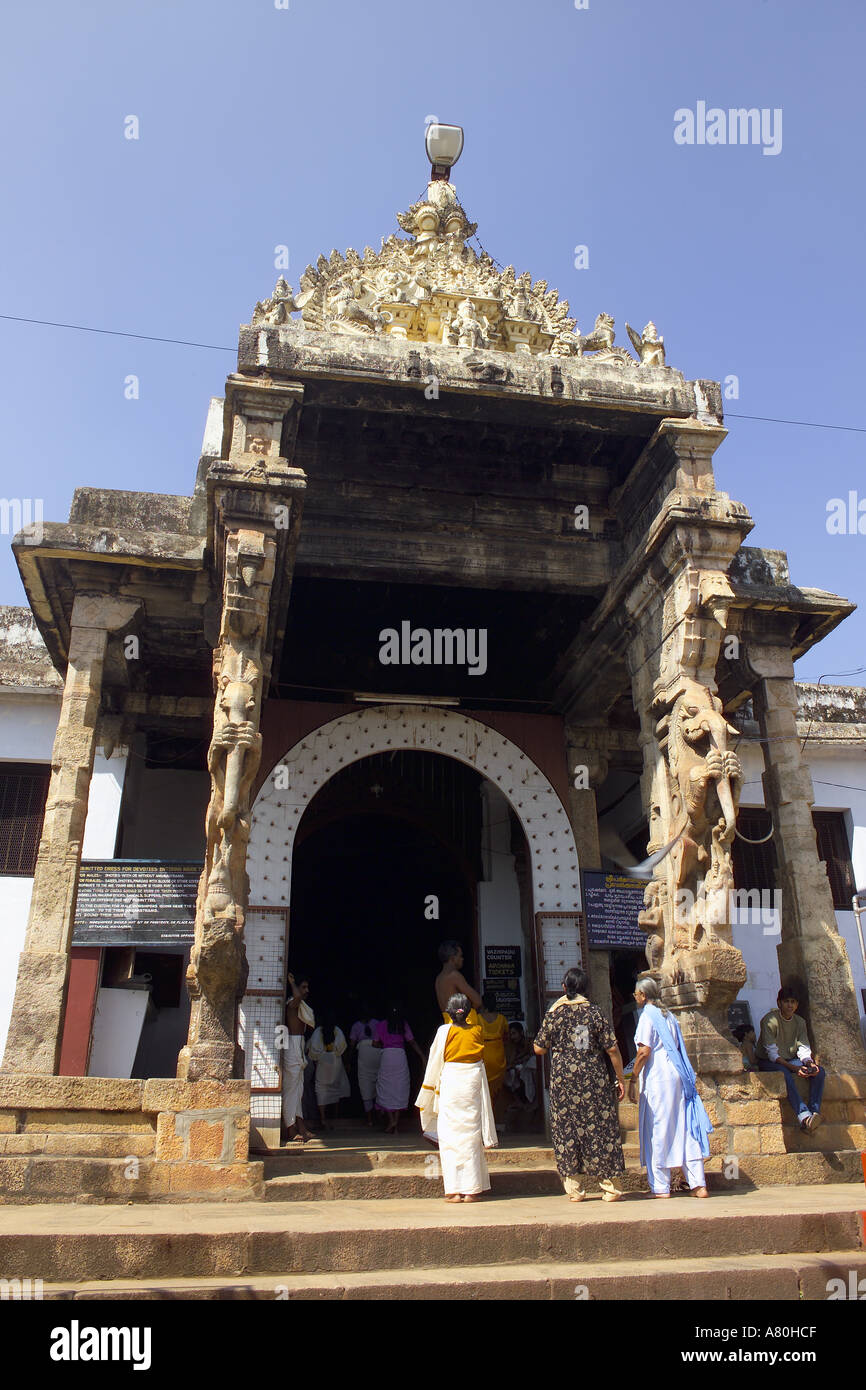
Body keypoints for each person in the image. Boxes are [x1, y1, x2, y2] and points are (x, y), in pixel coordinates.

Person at [533, 967, 626, 1202]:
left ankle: (574, 1189)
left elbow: (538, 1048)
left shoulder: (555, 1013)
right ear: (586, 989)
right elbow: (612, 1048)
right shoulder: (595, 1013)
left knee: (566, 1130)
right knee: (600, 1129)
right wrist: (620, 1078)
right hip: (593, 1080)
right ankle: (611, 1187)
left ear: (565, 988)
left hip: (563, 1082)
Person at [628, 976, 712, 1198]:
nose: (635, 997)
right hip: (677, 1077)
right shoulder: (669, 1016)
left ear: (643, 995)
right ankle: (698, 1184)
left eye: (636, 993)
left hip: (659, 1080)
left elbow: (644, 1051)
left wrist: (633, 1078)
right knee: (685, 1127)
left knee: (659, 1129)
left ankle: (661, 1187)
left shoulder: (647, 1016)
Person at [416, 993, 497, 1202]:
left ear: (449, 1013)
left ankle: (453, 1191)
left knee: (449, 1136)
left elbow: (435, 1059)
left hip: (451, 1083)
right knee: (471, 1136)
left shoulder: (444, 1031)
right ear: (469, 1013)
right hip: (471, 1084)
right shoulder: (477, 1031)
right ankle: (471, 1190)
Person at [755, 986, 825, 1131]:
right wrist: (795, 1068)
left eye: (793, 1002)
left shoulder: (800, 1022)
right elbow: (772, 1055)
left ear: (797, 1005)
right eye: (786, 1001)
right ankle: (803, 1115)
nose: (790, 1005)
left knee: (820, 1072)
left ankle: (814, 1112)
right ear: (779, 1003)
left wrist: (809, 1064)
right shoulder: (770, 1020)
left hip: (791, 1059)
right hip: (768, 1061)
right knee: (784, 1074)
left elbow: (804, 1049)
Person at [374, 1005, 426, 1135]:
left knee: (386, 1088)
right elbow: (412, 1042)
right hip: (400, 1057)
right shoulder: (403, 1024)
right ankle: (395, 1124)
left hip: (386, 1056)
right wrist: (422, 1056)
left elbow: (374, 1043)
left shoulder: (381, 1025)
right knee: (399, 1088)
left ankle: (391, 1121)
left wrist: (385, 1045)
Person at [281, 972, 315, 1143]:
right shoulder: (292, 1004)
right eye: (304, 987)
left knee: (298, 1090)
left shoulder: (300, 1006)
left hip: (299, 1046)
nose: (306, 991)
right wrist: (292, 983)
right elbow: (296, 996)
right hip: (292, 1046)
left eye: (307, 987)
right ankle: (290, 1129)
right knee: (291, 1090)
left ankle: (300, 1127)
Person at [308, 1008, 351, 1130]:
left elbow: (314, 1050)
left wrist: (318, 1059)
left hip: (322, 1063)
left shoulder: (318, 1031)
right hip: (335, 1062)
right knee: (335, 1088)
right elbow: (342, 1047)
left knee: (321, 1090)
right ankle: (335, 1117)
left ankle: (323, 1118)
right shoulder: (337, 1030)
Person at [349, 1006, 382, 1126]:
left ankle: (379, 1116)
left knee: (379, 1084)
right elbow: (352, 1045)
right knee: (365, 1086)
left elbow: (381, 1041)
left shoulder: (377, 1024)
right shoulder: (356, 1026)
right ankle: (370, 1119)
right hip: (363, 1058)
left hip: (376, 1056)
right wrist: (349, 1060)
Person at [477, 991, 510, 1111]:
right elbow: (506, 1036)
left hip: (483, 1055)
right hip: (498, 1056)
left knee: (483, 1087)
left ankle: (485, 1116)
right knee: (496, 1089)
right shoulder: (502, 1019)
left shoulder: (478, 1018)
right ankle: (495, 1117)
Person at [435, 941, 481, 1024]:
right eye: (460, 956)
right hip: (461, 1026)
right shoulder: (454, 975)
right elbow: (478, 1001)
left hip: (448, 1025)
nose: (462, 959)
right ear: (452, 958)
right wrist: (466, 1015)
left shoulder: (439, 978)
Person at [504, 1021, 537, 1110]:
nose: (512, 1037)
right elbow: (511, 1061)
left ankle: (533, 1101)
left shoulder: (529, 1042)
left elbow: (531, 1055)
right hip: (517, 1068)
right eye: (510, 1034)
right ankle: (519, 1102)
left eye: (514, 1033)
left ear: (521, 1032)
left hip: (528, 1068)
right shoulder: (512, 1046)